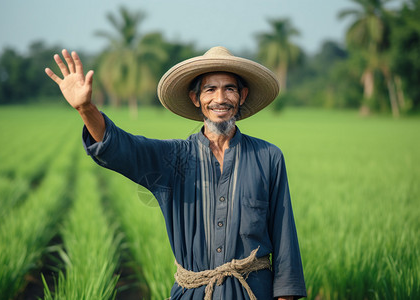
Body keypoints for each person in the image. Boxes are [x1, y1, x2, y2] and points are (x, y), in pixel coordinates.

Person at [45, 46, 306, 300]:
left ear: (243, 95)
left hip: (253, 293)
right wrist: (85, 108)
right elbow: (122, 147)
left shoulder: (268, 157)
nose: (220, 98)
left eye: (229, 89)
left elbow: (285, 242)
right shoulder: (173, 158)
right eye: (210, 89)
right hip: (193, 293)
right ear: (196, 99)